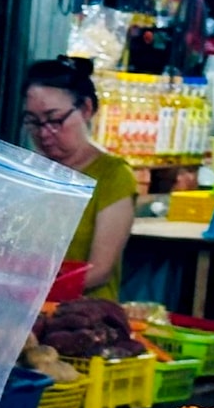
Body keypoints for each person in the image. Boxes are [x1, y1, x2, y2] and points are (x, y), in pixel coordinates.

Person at [23, 58, 137, 299]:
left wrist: (26, 292)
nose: (44, 133)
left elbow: (100, 270)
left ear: (86, 109)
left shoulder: (113, 176)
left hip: (83, 317)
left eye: (55, 120)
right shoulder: (29, 172)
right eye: (33, 122)